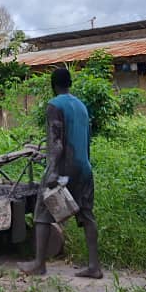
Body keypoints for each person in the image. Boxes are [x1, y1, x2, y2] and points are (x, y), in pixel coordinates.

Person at [18, 67, 102, 278]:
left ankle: (39, 264)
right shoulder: (82, 106)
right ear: (70, 83)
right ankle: (94, 266)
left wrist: (53, 172)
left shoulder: (54, 106)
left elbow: (56, 144)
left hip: (65, 166)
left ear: (53, 85)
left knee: (42, 213)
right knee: (87, 215)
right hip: (84, 167)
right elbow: (86, 140)